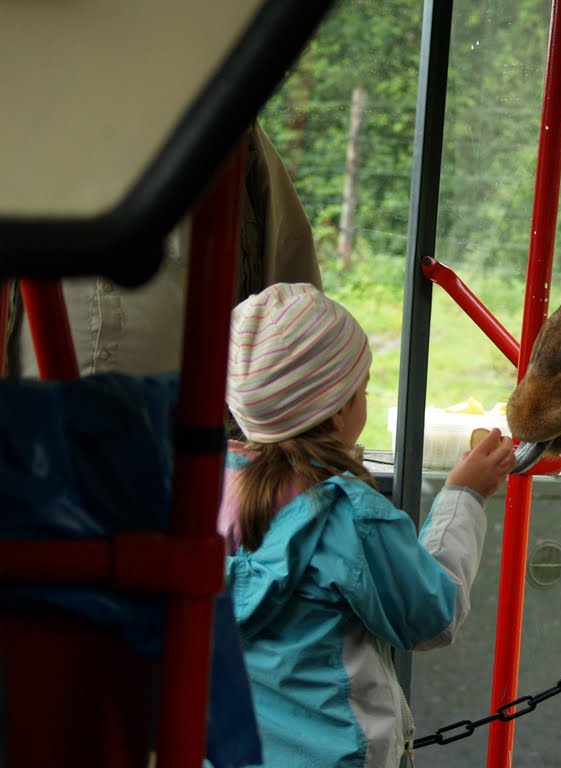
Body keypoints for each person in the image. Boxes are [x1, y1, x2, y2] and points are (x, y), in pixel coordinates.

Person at [218, 282, 516, 767]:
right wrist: (465, 495)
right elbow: (431, 616)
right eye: (363, 389)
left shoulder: (199, 492)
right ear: (338, 413)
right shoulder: (346, 515)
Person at [4, 121, 320, 379]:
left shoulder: (220, 122)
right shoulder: (24, 130)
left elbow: (288, 260)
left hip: (186, 433)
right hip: (33, 427)